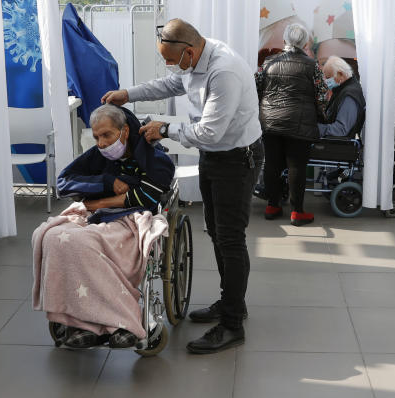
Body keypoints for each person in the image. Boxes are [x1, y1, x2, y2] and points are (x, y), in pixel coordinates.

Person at [100, 19, 262, 355]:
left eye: (173, 60)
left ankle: (232, 324)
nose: (171, 66)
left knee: (231, 239)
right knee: (217, 233)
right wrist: (128, 94)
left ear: (189, 50)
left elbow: (209, 133)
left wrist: (166, 130)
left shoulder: (224, 71)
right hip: (217, 156)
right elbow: (171, 84)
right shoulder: (196, 56)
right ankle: (232, 302)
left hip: (236, 158)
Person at [41, 104, 174, 349]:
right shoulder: (98, 156)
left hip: (130, 219)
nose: (101, 144)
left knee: (83, 243)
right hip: (96, 217)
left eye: (106, 136)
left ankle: (121, 321)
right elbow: (63, 183)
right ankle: (80, 320)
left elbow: (146, 197)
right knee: (51, 236)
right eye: (96, 137)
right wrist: (107, 181)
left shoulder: (156, 159)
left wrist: (99, 200)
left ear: (124, 132)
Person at [255, 22, 329, 226]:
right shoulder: (312, 65)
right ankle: (297, 212)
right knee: (296, 166)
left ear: (285, 40)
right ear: (305, 42)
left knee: (272, 163)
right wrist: (320, 113)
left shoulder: (269, 62)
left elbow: (256, 87)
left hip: (270, 121)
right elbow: (322, 94)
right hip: (300, 122)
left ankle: (272, 205)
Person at [318, 55, 365, 139]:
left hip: (339, 147)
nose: (326, 81)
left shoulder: (349, 95)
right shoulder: (341, 90)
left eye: (328, 77)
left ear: (340, 74)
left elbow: (341, 130)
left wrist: (317, 128)